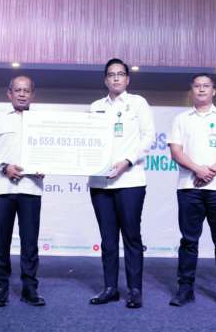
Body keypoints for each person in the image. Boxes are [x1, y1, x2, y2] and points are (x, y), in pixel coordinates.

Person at [167, 74, 216, 310]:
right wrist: (198, 170)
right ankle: (185, 289)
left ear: (214, 91)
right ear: (192, 90)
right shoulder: (181, 119)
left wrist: (211, 171)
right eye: (197, 86)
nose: (201, 89)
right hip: (189, 187)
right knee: (189, 241)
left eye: (206, 86)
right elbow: (176, 152)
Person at [88, 58, 155, 309]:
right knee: (107, 239)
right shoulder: (95, 106)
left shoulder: (138, 103)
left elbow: (148, 136)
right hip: (100, 183)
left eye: (120, 74)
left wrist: (127, 161)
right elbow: (87, 140)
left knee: (131, 237)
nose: (115, 78)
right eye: (111, 74)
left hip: (130, 181)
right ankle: (110, 288)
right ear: (105, 79)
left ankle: (135, 290)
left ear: (127, 79)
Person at [0, 76, 46, 307]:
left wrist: (47, 164)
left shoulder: (42, 121)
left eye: (26, 90)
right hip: (2, 189)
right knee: (1, 242)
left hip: (31, 189)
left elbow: (50, 151)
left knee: (30, 243)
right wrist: (4, 166)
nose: (22, 94)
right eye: (18, 90)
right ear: (9, 93)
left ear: (32, 94)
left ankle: (30, 289)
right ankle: (1, 289)